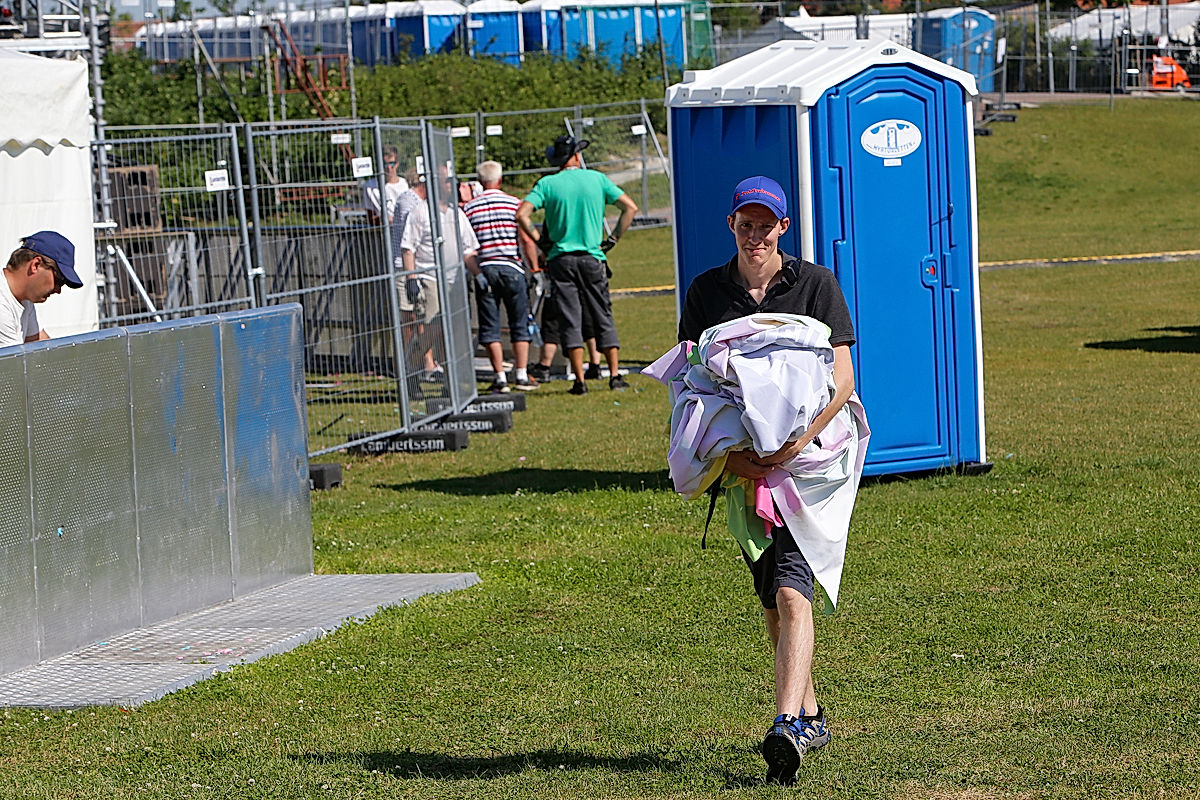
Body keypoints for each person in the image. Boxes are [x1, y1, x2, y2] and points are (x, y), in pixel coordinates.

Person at [676, 176, 856, 785]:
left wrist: (796, 446)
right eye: (745, 224)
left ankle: (787, 726)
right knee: (773, 603)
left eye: (767, 224)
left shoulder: (814, 285)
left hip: (808, 470)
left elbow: (843, 382)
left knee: (791, 592)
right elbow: (690, 389)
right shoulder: (707, 292)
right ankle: (809, 711)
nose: (756, 235)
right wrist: (731, 461)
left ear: (784, 227)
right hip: (744, 474)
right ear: (733, 225)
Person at [515, 134, 637, 395]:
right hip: (593, 256)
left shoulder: (548, 184)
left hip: (561, 258)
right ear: (576, 156)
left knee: (570, 317)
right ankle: (614, 374)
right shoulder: (596, 179)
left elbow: (522, 214)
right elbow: (630, 207)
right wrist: (613, 238)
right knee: (602, 313)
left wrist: (540, 242)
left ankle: (579, 380)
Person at [398, 169, 481, 395]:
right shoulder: (420, 212)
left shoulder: (457, 215)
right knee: (431, 331)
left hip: (456, 282)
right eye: (447, 182)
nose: (450, 186)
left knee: (454, 332)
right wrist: (411, 278)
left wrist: (480, 275)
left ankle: (450, 382)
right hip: (430, 279)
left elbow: (468, 250)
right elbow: (408, 247)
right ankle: (410, 373)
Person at [463, 161, 540, 393]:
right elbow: (526, 240)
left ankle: (499, 377)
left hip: (485, 269)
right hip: (512, 267)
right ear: (500, 179)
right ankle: (522, 374)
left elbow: (467, 244)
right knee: (519, 321)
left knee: (490, 325)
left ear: (479, 181)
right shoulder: (515, 204)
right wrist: (534, 269)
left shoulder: (470, 209)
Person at [2, 231, 83, 348]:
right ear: (35, 265)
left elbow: (43, 347)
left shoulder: (24, 299)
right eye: (59, 280)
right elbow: (15, 364)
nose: (58, 290)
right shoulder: (2, 302)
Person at [362, 145, 409, 226]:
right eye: (384, 164)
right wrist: (384, 219)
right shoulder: (370, 186)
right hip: (383, 230)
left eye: (392, 163)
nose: (388, 168)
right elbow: (370, 217)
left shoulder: (405, 184)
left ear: (397, 164)